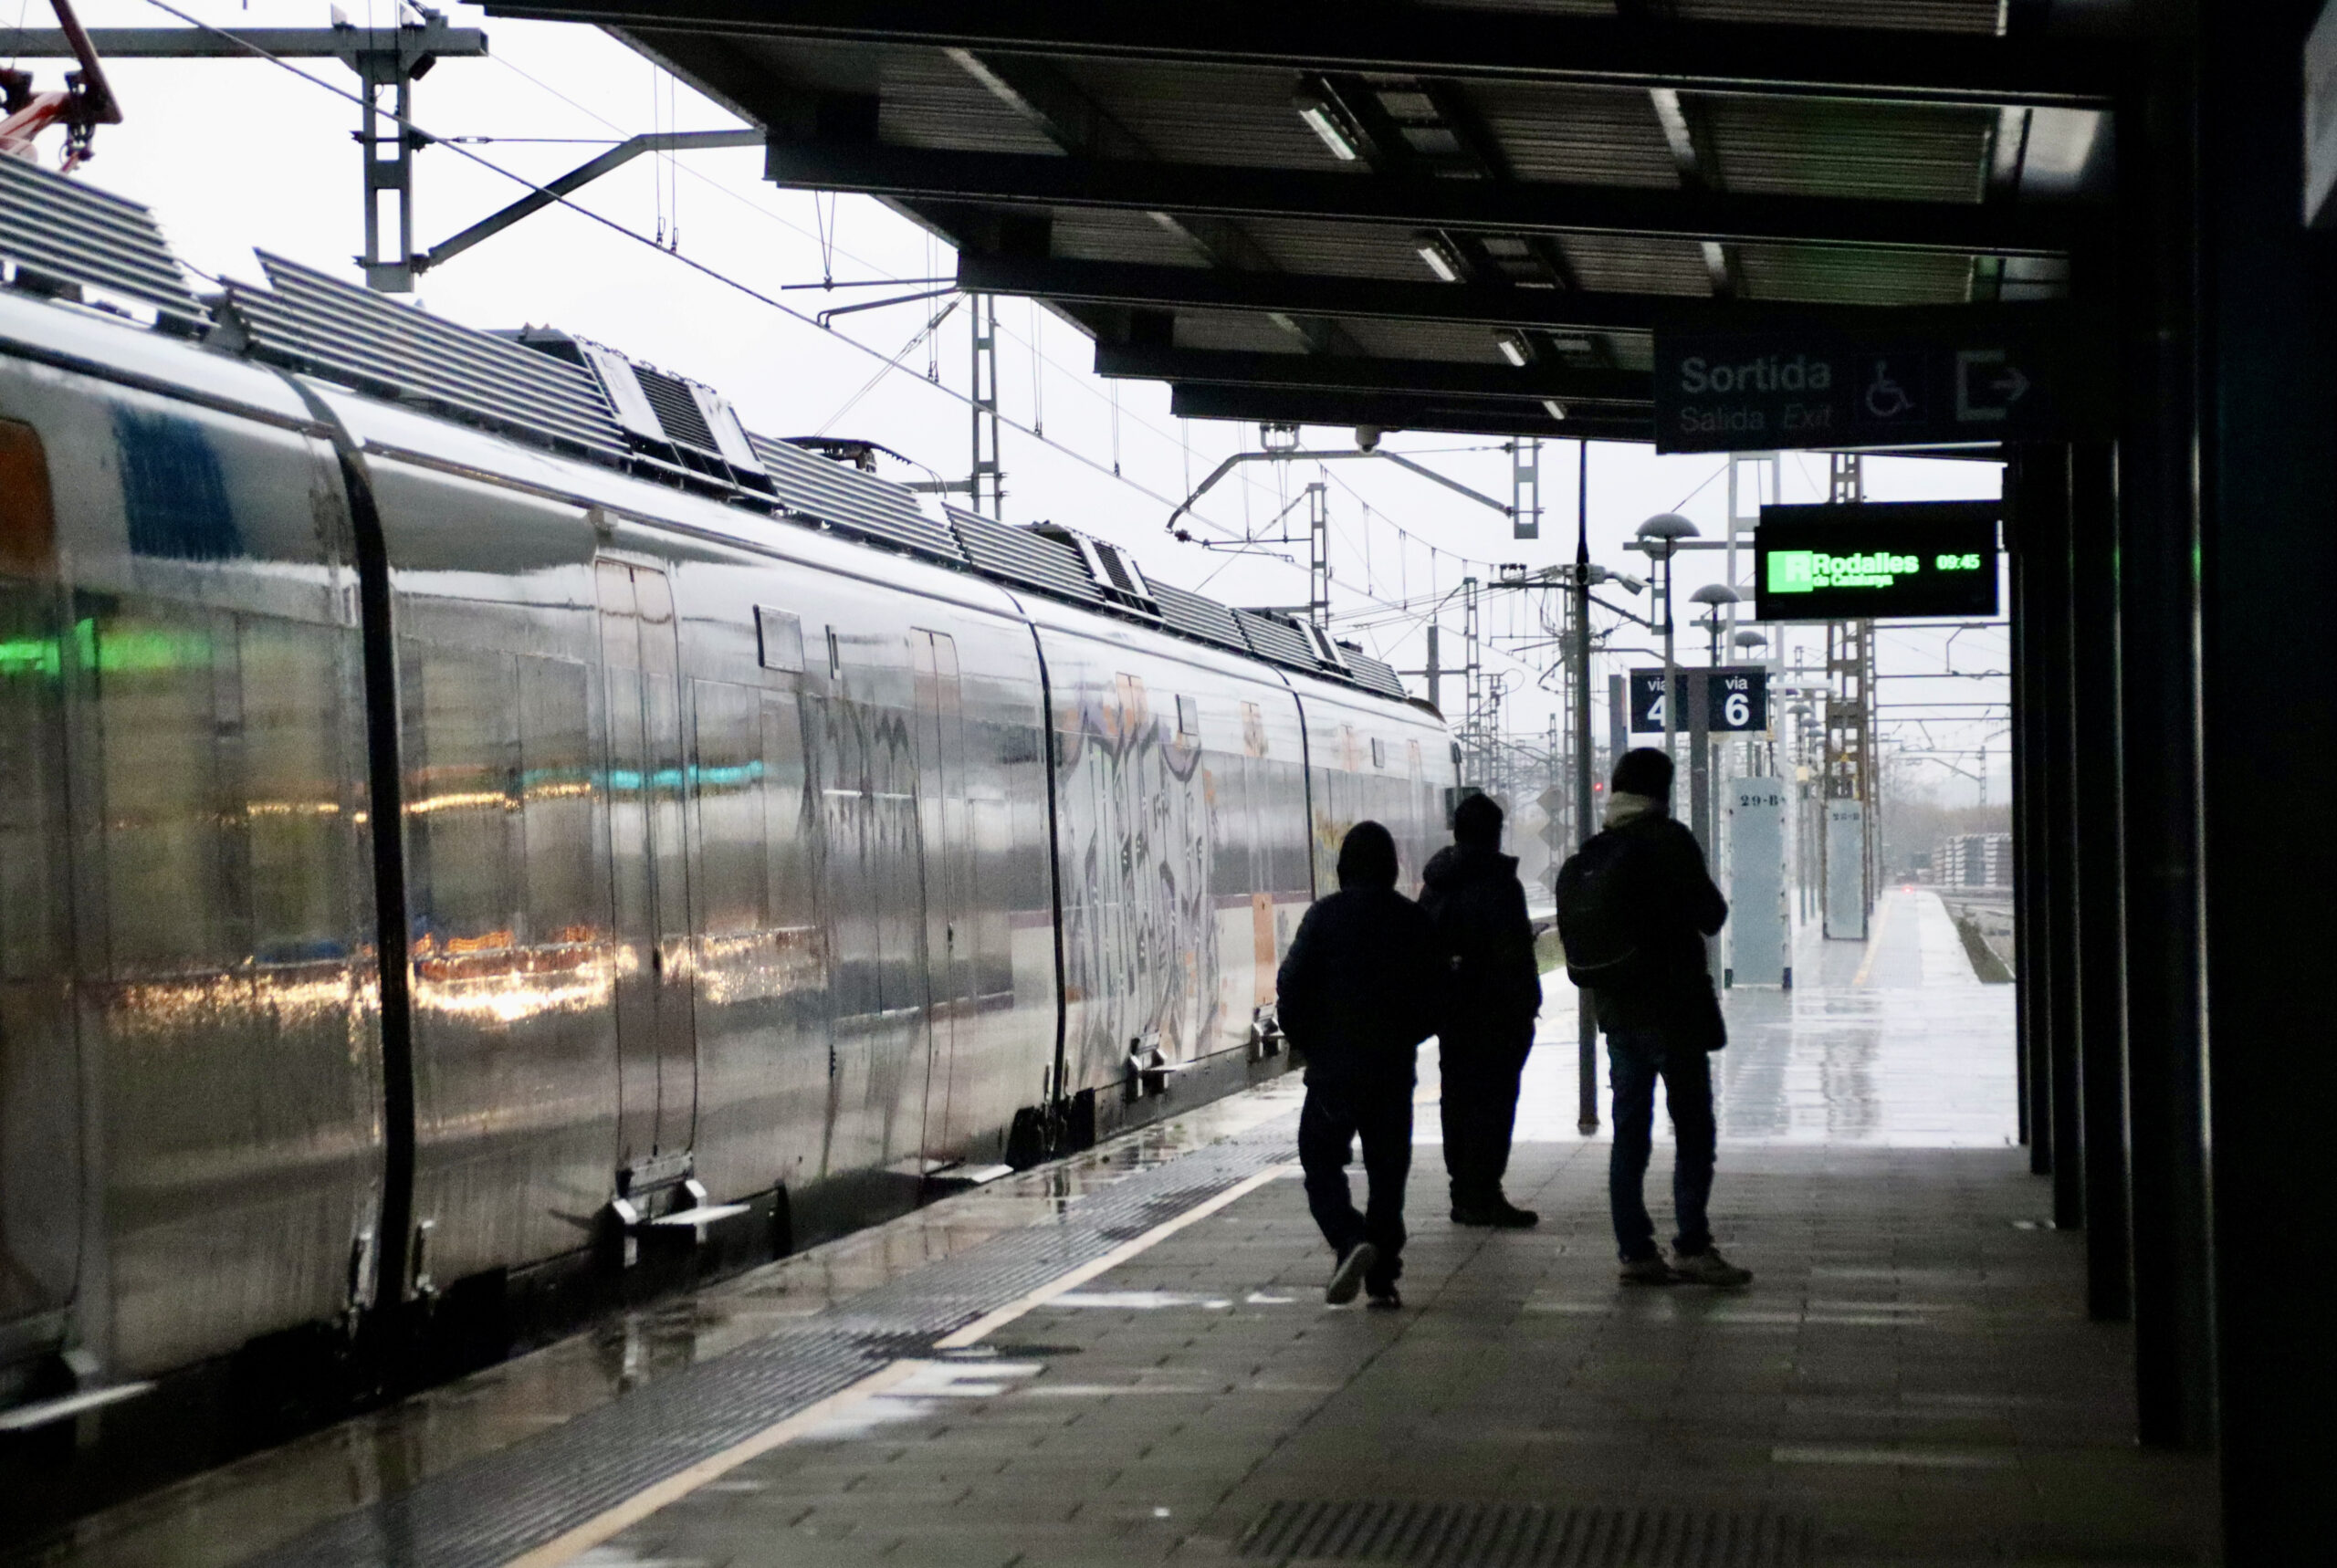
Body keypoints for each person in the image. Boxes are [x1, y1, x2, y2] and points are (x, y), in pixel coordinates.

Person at [1559, 747, 1752, 1288]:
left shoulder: (1598, 849)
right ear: (1662, 792)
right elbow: (1712, 915)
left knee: (1629, 1134)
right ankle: (1691, 1245)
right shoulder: (1670, 841)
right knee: (1693, 1129)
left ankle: (1635, 1251)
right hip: (1674, 1011)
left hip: (1619, 1015)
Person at [1275, 821, 1443, 1310]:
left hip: (1334, 1072)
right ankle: (1383, 1279)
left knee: (1320, 1161)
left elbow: (1291, 985)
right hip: (1392, 1070)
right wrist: (1407, 1036)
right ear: (1392, 868)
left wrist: (1310, 1042)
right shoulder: (1412, 920)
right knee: (1388, 1174)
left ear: (1342, 868)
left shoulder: (1323, 917)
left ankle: (1349, 1239)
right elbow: (1437, 995)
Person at [1420, 793, 1544, 1228]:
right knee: (1494, 1105)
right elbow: (1514, 955)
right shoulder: (1499, 885)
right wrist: (1528, 1007)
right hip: (1497, 1015)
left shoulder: (1435, 884)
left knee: (1457, 1101)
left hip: (1452, 1014)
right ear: (1496, 834)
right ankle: (1485, 1193)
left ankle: (1464, 1192)